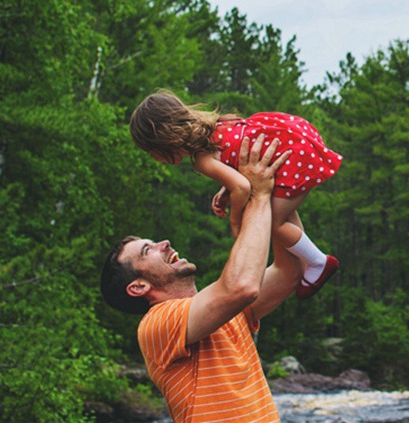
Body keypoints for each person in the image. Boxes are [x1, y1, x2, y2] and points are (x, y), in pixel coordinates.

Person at [101, 135, 298, 422]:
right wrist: (259, 196)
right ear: (139, 286)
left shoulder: (225, 312)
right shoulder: (156, 325)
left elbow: (290, 271)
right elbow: (242, 286)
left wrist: (278, 184)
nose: (164, 243)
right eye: (148, 250)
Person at [130, 90, 340, 299]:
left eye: (151, 151)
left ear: (164, 139)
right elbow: (237, 159)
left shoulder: (203, 159)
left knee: (275, 222)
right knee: (275, 214)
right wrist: (226, 188)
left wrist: (235, 219)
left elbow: (242, 187)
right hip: (296, 138)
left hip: (293, 157)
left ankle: (318, 262)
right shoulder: (216, 127)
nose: (155, 159)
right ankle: (306, 263)